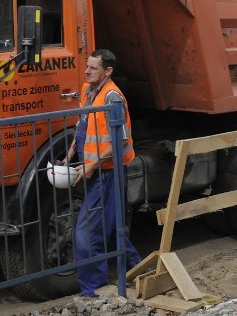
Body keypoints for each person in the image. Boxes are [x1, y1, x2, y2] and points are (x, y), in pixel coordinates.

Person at [62, 49, 141, 297]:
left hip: (108, 173)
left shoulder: (113, 98)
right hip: (95, 171)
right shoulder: (88, 90)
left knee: (86, 233)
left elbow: (120, 141)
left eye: (93, 68)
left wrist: (93, 165)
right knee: (112, 227)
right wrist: (69, 156)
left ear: (108, 72)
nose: (87, 71)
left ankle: (93, 289)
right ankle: (140, 271)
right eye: (87, 66)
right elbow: (82, 126)